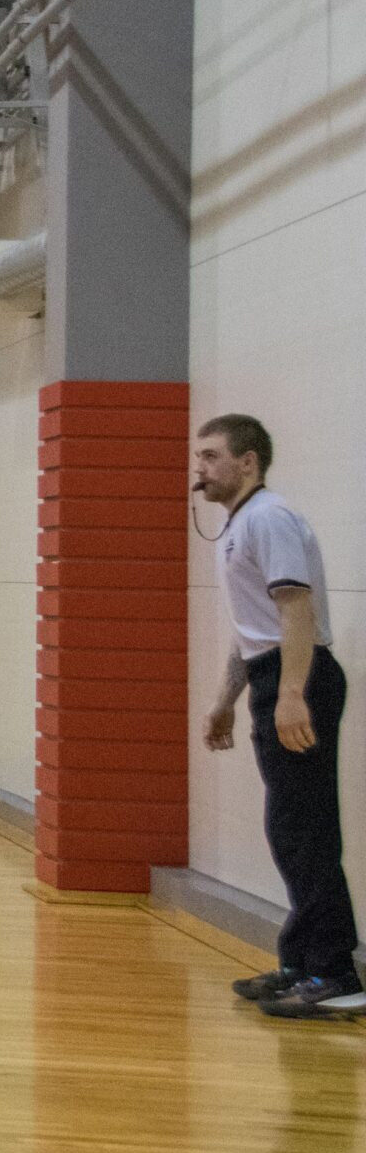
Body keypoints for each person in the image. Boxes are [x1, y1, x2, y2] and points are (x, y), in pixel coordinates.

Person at [195, 414, 364, 1018]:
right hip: (275, 674)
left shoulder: (268, 518)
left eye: (212, 456)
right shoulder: (241, 525)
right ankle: (302, 961)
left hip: (300, 676)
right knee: (289, 828)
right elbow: (253, 631)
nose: (200, 468)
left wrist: (293, 693)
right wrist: (226, 700)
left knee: (306, 828)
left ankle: (336, 975)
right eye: (198, 457)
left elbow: (295, 608)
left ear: (249, 462)